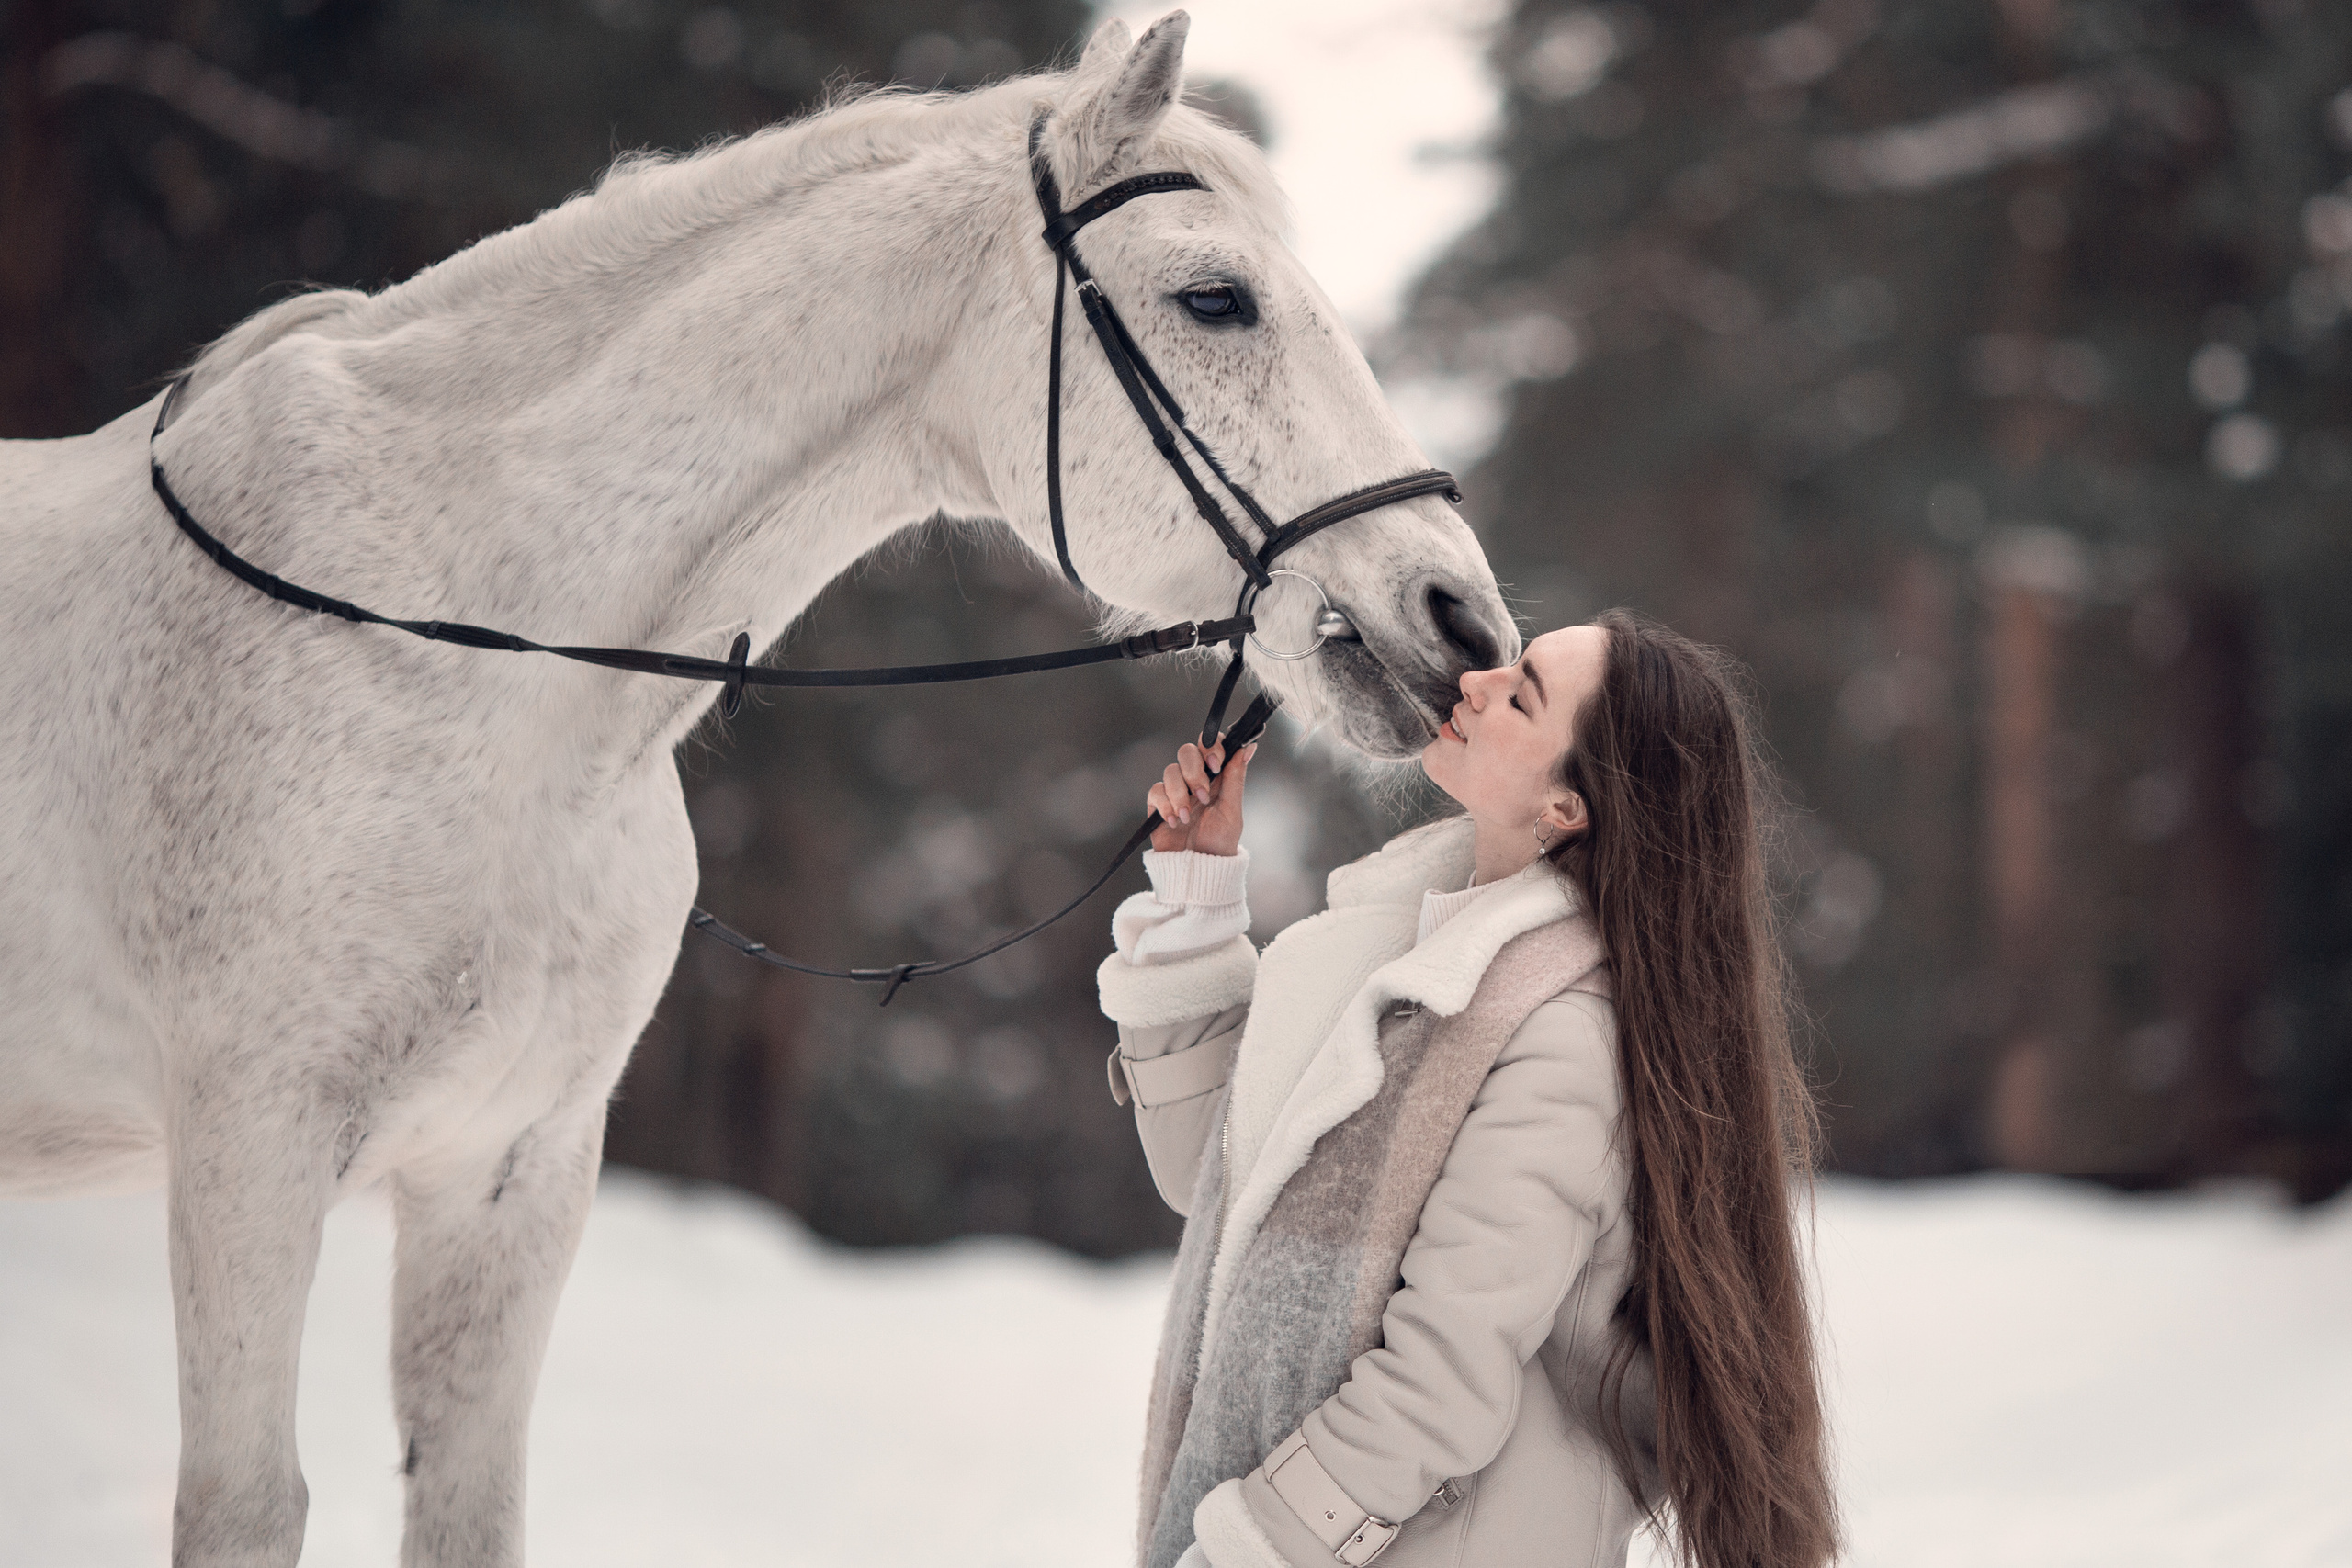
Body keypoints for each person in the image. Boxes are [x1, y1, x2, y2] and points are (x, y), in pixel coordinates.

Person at [1099, 610, 1838, 1568]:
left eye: (1520, 694)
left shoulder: (1563, 1034)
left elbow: (1438, 1381)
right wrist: (1197, 895)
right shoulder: (1408, 956)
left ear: (1566, 808)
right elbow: (1225, 1186)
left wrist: (1247, 1553)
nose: (1473, 685)